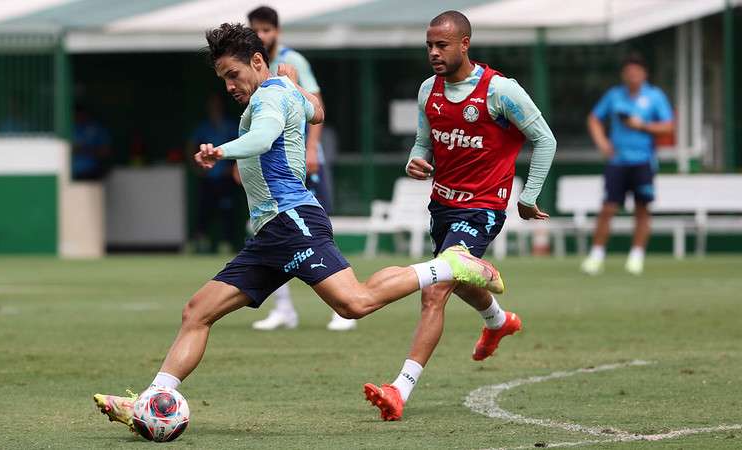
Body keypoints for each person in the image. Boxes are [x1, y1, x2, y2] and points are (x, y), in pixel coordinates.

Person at [93, 23, 506, 431]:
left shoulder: (269, 99)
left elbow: (263, 137)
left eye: (233, 75)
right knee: (197, 312)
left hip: (292, 221)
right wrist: (294, 86)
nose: (229, 87)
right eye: (223, 79)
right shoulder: (282, 90)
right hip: (270, 232)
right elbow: (318, 112)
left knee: (354, 303)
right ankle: (149, 401)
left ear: (257, 61)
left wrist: (221, 150)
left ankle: (450, 267)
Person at [363, 11, 557, 421]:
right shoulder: (427, 91)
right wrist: (415, 160)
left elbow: (545, 139)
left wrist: (529, 195)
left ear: (464, 44)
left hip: (483, 206)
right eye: (429, 46)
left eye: (442, 45)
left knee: (434, 290)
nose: (434, 53)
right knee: (458, 281)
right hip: (442, 205)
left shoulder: (500, 91)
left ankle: (399, 390)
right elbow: (423, 142)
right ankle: (498, 321)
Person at [247, 5, 354, 331]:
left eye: (267, 30)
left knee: (317, 230)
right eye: (256, 30)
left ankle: (344, 303)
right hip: (271, 167)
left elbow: (315, 105)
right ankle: (284, 309)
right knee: (267, 231)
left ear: (277, 32)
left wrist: (312, 149)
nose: (262, 36)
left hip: (301, 160)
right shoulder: (253, 67)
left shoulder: (293, 62)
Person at [580, 53, 673, 276]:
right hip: (617, 162)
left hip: (643, 162)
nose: (633, 76)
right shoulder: (614, 96)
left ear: (644, 74)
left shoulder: (655, 96)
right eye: (629, 72)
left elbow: (668, 127)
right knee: (608, 208)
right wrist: (602, 143)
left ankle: (636, 256)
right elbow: (594, 119)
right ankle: (596, 255)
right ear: (624, 74)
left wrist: (642, 126)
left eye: (637, 72)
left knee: (642, 209)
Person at [188, 93, 243, 253]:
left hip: (226, 179)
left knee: (228, 212)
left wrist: (233, 166)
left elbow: (241, 145)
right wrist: (196, 166)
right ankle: (200, 242)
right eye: (212, 104)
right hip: (208, 178)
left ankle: (226, 243)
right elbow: (191, 145)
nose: (214, 107)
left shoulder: (231, 125)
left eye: (217, 104)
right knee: (204, 211)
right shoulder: (203, 127)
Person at [72, 104, 112, 180]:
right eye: (77, 114)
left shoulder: (97, 129)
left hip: (92, 172)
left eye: (81, 114)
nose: (79, 117)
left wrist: (84, 149)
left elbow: (105, 151)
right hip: (70, 173)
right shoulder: (69, 128)